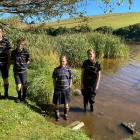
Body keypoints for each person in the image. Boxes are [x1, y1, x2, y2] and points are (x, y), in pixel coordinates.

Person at [52, 55, 72, 121]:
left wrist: (70, 87)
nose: (62, 63)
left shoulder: (69, 69)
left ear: (66, 62)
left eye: (63, 61)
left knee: (66, 105)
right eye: (61, 61)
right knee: (56, 104)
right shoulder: (56, 70)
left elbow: (70, 78)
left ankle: (65, 114)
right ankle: (57, 115)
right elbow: (54, 79)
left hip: (66, 90)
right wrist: (55, 86)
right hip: (58, 90)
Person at [11, 37, 30, 103]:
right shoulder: (13, 52)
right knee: (18, 86)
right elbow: (12, 61)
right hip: (16, 72)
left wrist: (25, 66)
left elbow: (28, 60)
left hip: (24, 72)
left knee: (24, 85)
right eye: (19, 44)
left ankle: (24, 97)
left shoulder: (26, 52)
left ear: (24, 45)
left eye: (22, 44)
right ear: (17, 44)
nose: (20, 45)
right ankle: (19, 97)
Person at [0, 25, 11, 99]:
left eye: (0, 31)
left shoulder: (6, 41)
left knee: (5, 79)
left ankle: (6, 94)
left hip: (4, 63)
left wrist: (9, 63)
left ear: (2, 32)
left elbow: (9, 53)